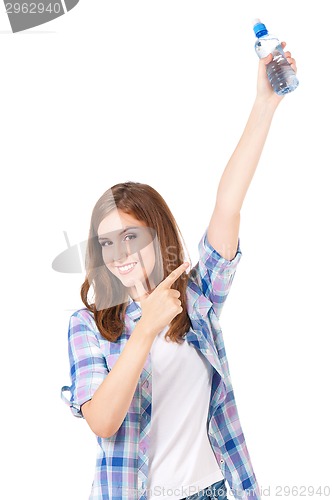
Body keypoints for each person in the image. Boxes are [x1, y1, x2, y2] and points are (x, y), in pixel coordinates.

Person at [61, 44, 297, 500]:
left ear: (157, 234)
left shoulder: (197, 297)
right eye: (106, 242)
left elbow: (228, 203)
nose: (119, 252)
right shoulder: (88, 326)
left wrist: (265, 105)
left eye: (131, 236)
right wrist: (145, 327)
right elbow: (103, 421)